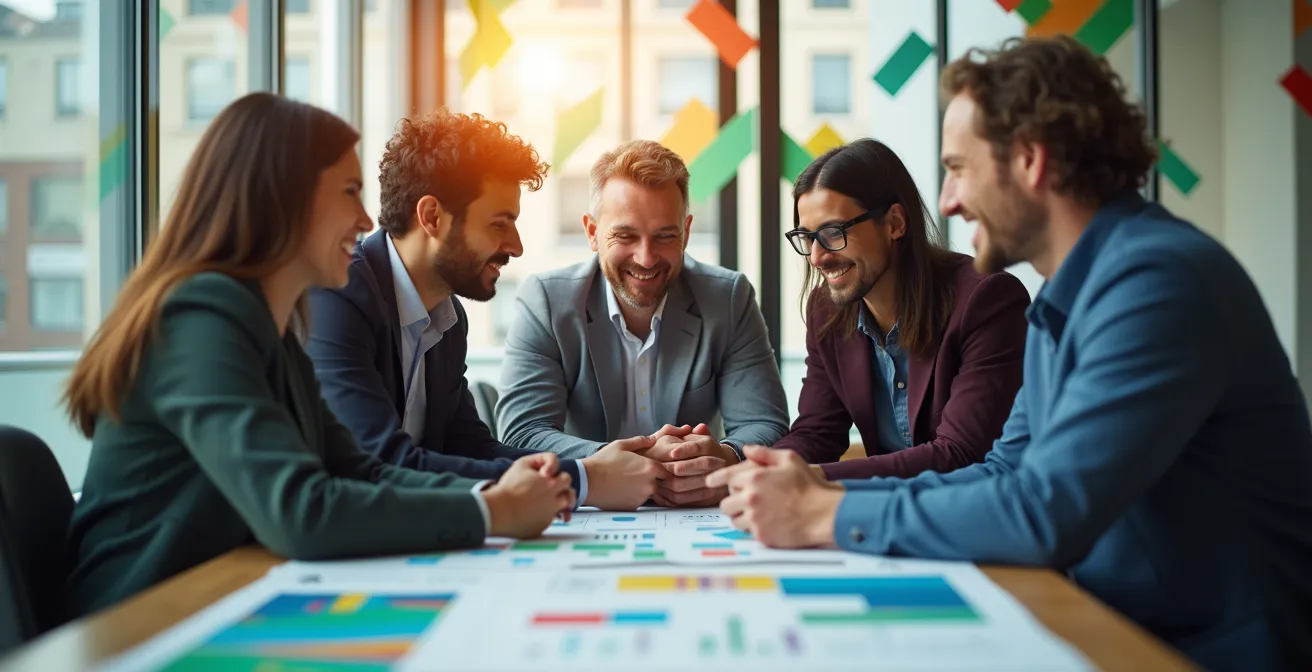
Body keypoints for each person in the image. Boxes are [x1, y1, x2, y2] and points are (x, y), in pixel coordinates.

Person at [708, 36, 1312, 671]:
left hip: (1209, 650)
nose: (946, 201)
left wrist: (825, 514)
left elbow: (1044, 510)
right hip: (1118, 623)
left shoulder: (1156, 283)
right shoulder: (1071, 293)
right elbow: (1003, 474)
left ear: (1029, 160)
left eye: (959, 168)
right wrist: (811, 494)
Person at [60, 94, 573, 619]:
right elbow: (300, 510)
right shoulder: (200, 314)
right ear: (282, 200)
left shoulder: (273, 328)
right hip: (140, 622)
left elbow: (361, 472)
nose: (366, 217)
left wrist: (499, 494)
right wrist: (490, 511)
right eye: (349, 192)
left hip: (228, 596)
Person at [305, 111, 663, 512]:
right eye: (499, 224)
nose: (516, 245)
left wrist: (591, 468)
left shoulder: (448, 318)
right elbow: (376, 461)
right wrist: (583, 481)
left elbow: (473, 448)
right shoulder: (338, 295)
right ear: (432, 217)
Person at [496, 139, 789, 507]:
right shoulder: (546, 301)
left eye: (665, 236)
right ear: (592, 233)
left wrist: (726, 456)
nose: (646, 258)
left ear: (686, 232)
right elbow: (521, 433)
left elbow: (769, 426)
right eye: (625, 235)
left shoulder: (728, 298)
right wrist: (624, 465)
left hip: (694, 510)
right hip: (587, 508)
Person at [771, 138, 1029, 480]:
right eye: (807, 237)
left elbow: (961, 454)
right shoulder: (826, 310)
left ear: (895, 223)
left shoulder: (987, 300)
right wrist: (743, 471)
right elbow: (816, 433)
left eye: (833, 232)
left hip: (981, 517)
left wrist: (814, 479)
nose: (817, 257)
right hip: (889, 517)